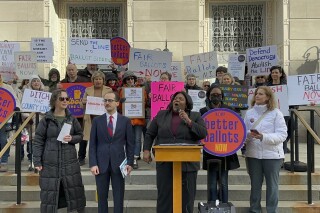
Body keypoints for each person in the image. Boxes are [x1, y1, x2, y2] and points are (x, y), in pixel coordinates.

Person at [143, 91, 207, 213]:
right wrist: (146, 150)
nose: (177, 100)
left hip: (187, 164)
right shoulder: (161, 115)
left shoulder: (195, 116)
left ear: (187, 103)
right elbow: (150, 133)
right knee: (164, 195)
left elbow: (203, 133)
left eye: (181, 99)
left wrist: (188, 121)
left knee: (187, 197)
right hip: (165, 162)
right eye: (175, 98)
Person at [33, 89, 86, 213]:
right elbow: (38, 141)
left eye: (67, 99)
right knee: (50, 194)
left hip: (70, 162)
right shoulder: (46, 119)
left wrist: (72, 138)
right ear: (54, 101)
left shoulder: (71, 118)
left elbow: (80, 135)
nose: (65, 101)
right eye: (62, 99)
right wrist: (37, 161)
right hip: (50, 163)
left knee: (73, 191)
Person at [244, 86, 287, 213]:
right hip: (253, 155)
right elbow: (242, 132)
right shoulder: (249, 113)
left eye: (261, 94)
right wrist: (248, 134)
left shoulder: (276, 113)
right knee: (255, 185)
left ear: (268, 97)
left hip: (272, 156)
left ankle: (272, 210)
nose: (257, 96)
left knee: (272, 186)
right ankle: (255, 209)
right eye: (256, 93)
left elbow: (282, 134)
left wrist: (263, 136)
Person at [89, 91, 134, 213]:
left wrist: (130, 162)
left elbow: (130, 144)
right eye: (105, 100)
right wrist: (93, 163)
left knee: (119, 196)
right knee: (102, 196)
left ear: (117, 103)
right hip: (101, 163)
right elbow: (92, 144)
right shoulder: (97, 121)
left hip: (120, 163)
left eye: (110, 100)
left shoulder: (125, 121)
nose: (107, 103)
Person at [199, 85, 240, 203]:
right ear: (209, 97)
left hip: (226, 152)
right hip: (210, 151)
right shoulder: (203, 111)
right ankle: (212, 204)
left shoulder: (230, 110)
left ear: (222, 96)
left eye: (218, 95)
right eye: (213, 95)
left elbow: (236, 128)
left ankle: (223, 204)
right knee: (211, 182)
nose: (216, 97)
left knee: (223, 182)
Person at [80, 71, 113, 166]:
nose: (98, 81)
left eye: (100, 79)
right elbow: (81, 104)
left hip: (104, 118)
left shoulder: (109, 90)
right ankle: (92, 161)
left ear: (103, 80)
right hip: (91, 119)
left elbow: (112, 102)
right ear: (92, 80)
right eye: (96, 79)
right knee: (92, 141)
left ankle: (103, 159)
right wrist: (83, 102)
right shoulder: (87, 90)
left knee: (103, 141)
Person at [119, 71, 147, 169]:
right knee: (127, 139)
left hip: (138, 119)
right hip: (127, 119)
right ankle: (128, 157)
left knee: (137, 139)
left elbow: (145, 102)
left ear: (135, 80)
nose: (130, 80)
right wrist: (120, 102)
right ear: (125, 81)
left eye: (132, 78)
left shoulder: (141, 90)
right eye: (128, 79)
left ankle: (135, 158)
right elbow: (119, 107)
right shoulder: (122, 91)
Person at [266, 65, 290, 153]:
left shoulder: (286, 86)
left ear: (280, 74)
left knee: (282, 134)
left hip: (283, 114)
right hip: (269, 113)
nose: (274, 74)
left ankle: (282, 155)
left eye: (276, 72)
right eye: (272, 73)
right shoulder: (266, 86)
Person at [0, 73, 21, 172]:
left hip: (4, 119)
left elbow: (14, 99)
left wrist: (16, 108)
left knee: (3, 140)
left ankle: (3, 162)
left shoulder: (7, 87)